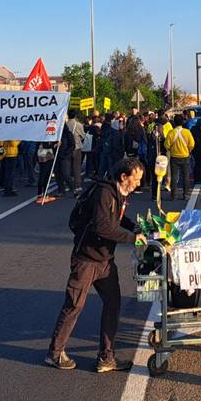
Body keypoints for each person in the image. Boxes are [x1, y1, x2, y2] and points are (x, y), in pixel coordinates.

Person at [46, 156, 146, 372]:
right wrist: (132, 238)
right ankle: (55, 353)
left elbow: (116, 218)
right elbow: (103, 227)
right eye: (136, 179)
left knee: (113, 304)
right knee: (74, 305)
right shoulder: (104, 193)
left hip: (105, 260)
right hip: (86, 259)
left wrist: (134, 226)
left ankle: (106, 357)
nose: (138, 183)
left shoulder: (119, 193)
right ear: (123, 177)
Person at [165, 115, 194, 201]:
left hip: (174, 157)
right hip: (185, 156)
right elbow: (192, 144)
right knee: (185, 176)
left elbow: (166, 145)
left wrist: (171, 149)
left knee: (174, 176)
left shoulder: (171, 132)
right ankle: (185, 194)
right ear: (182, 122)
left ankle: (173, 195)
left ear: (174, 122)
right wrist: (188, 150)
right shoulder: (187, 132)